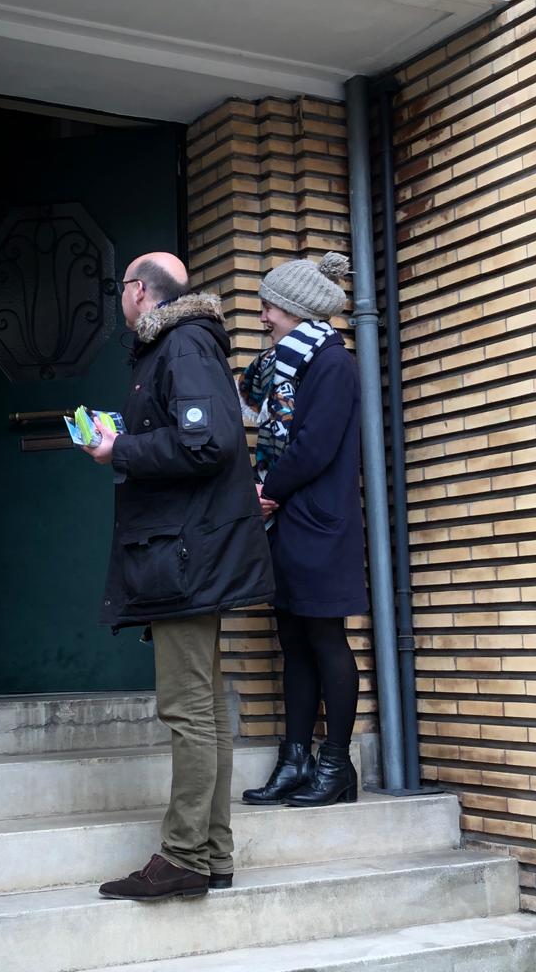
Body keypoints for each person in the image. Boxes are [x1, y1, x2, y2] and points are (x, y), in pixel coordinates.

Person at [84, 252, 274, 901]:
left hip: (184, 558)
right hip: (188, 553)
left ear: (138, 291)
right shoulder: (181, 347)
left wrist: (120, 450)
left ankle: (185, 855)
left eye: (123, 290)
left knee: (187, 709)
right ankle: (212, 854)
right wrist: (128, 441)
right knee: (204, 710)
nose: (122, 300)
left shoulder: (182, 345)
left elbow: (207, 444)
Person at [239, 252, 368, 809]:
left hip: (318, 523)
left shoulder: (333, 364)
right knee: (292, 641)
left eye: (269, 306)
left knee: (325, 638)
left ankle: (335, 765)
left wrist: (267, 493)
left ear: (293, 309)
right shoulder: (281, 366)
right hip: (289, 522)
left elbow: (313, 445)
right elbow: (252, 408)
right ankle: (295, 761)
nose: (263, 315)